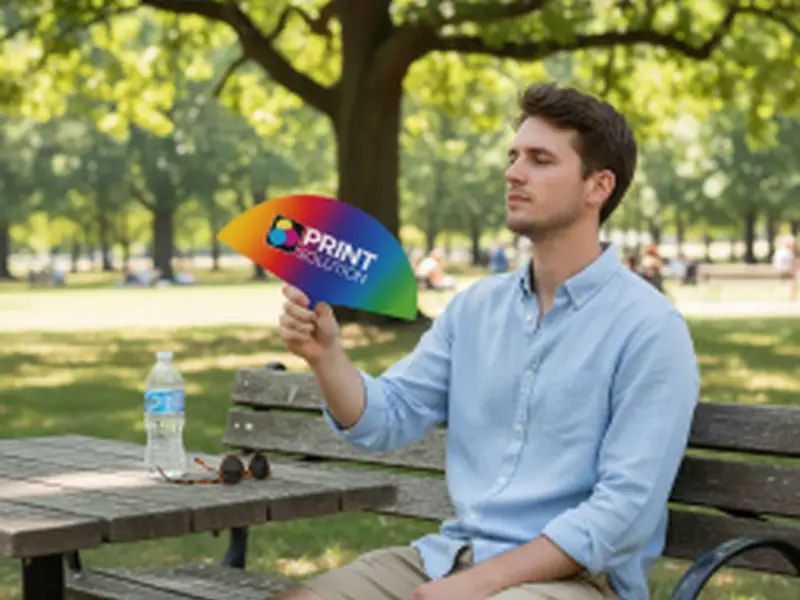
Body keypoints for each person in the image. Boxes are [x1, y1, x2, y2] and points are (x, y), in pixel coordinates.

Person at [275, 82, 700, 600]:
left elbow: (622, 514)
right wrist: (327, 357)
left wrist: (476, 586)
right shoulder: (475, 309)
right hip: (452, 556)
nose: (513, 173)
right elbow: (388, 415)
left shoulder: (650, 329)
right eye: (514, 156)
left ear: (598, 186)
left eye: (540, 160)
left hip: (578, 581)